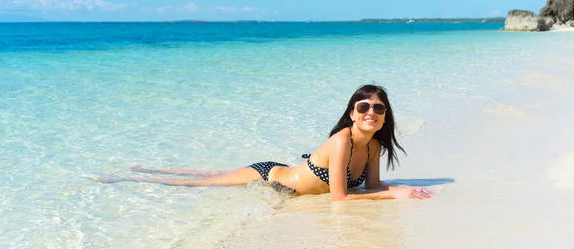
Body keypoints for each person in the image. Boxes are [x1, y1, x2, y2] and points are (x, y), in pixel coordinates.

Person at [96, 84, 433, 201]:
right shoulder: (341, 140)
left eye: (378, 108)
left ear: (385, 116)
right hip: (270, 178)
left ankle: (145, 168)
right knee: (198, 183)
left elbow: (370, 187)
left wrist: (397, 189)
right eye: (364, 107)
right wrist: (395, 194)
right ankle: (133, 176)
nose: (371, 112)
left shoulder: (374, 146)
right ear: (352, 113)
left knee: (214, 174)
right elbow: (341, 200)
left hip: (285, 176)